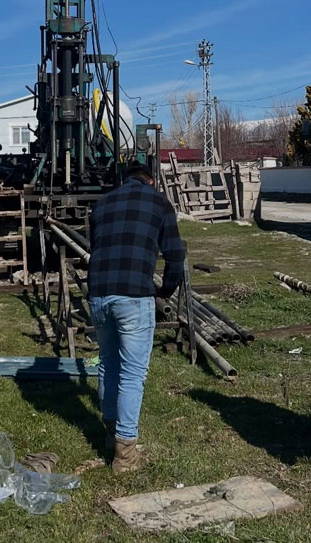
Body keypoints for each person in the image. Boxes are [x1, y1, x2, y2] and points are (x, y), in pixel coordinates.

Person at [87, 161, 185, 474]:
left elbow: (98, 247)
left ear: (124, 179)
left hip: (99, 294)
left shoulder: (102, 204)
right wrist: (166, 291)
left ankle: (109, 433)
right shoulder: (159, 202)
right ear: (151, 179)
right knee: (132, 373)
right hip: (133, 295)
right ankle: (125, 454)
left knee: (108, 363)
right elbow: (175, 254)